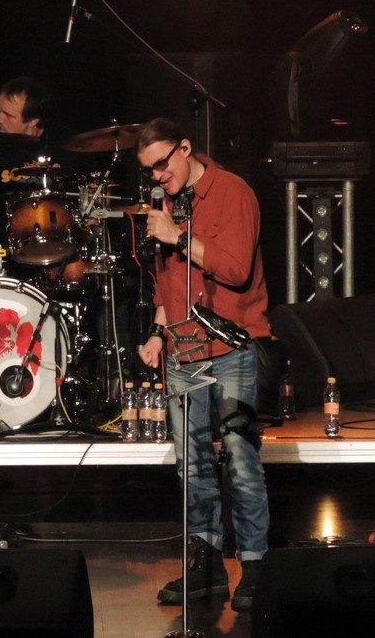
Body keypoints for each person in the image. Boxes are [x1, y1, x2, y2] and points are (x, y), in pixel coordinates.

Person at [136, 117, 271, 611]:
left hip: (233, 348)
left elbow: (236, 269)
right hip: (183, 352)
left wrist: (177, 236)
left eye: (161, 164)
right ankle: (207, 567)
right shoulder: (167, 206)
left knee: (240, 459)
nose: (157, 176)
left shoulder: (233, 192)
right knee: (191, 466)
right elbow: (166, 284)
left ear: (185, 148)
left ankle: (255, 567)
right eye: (149, 171)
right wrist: (157, 332)